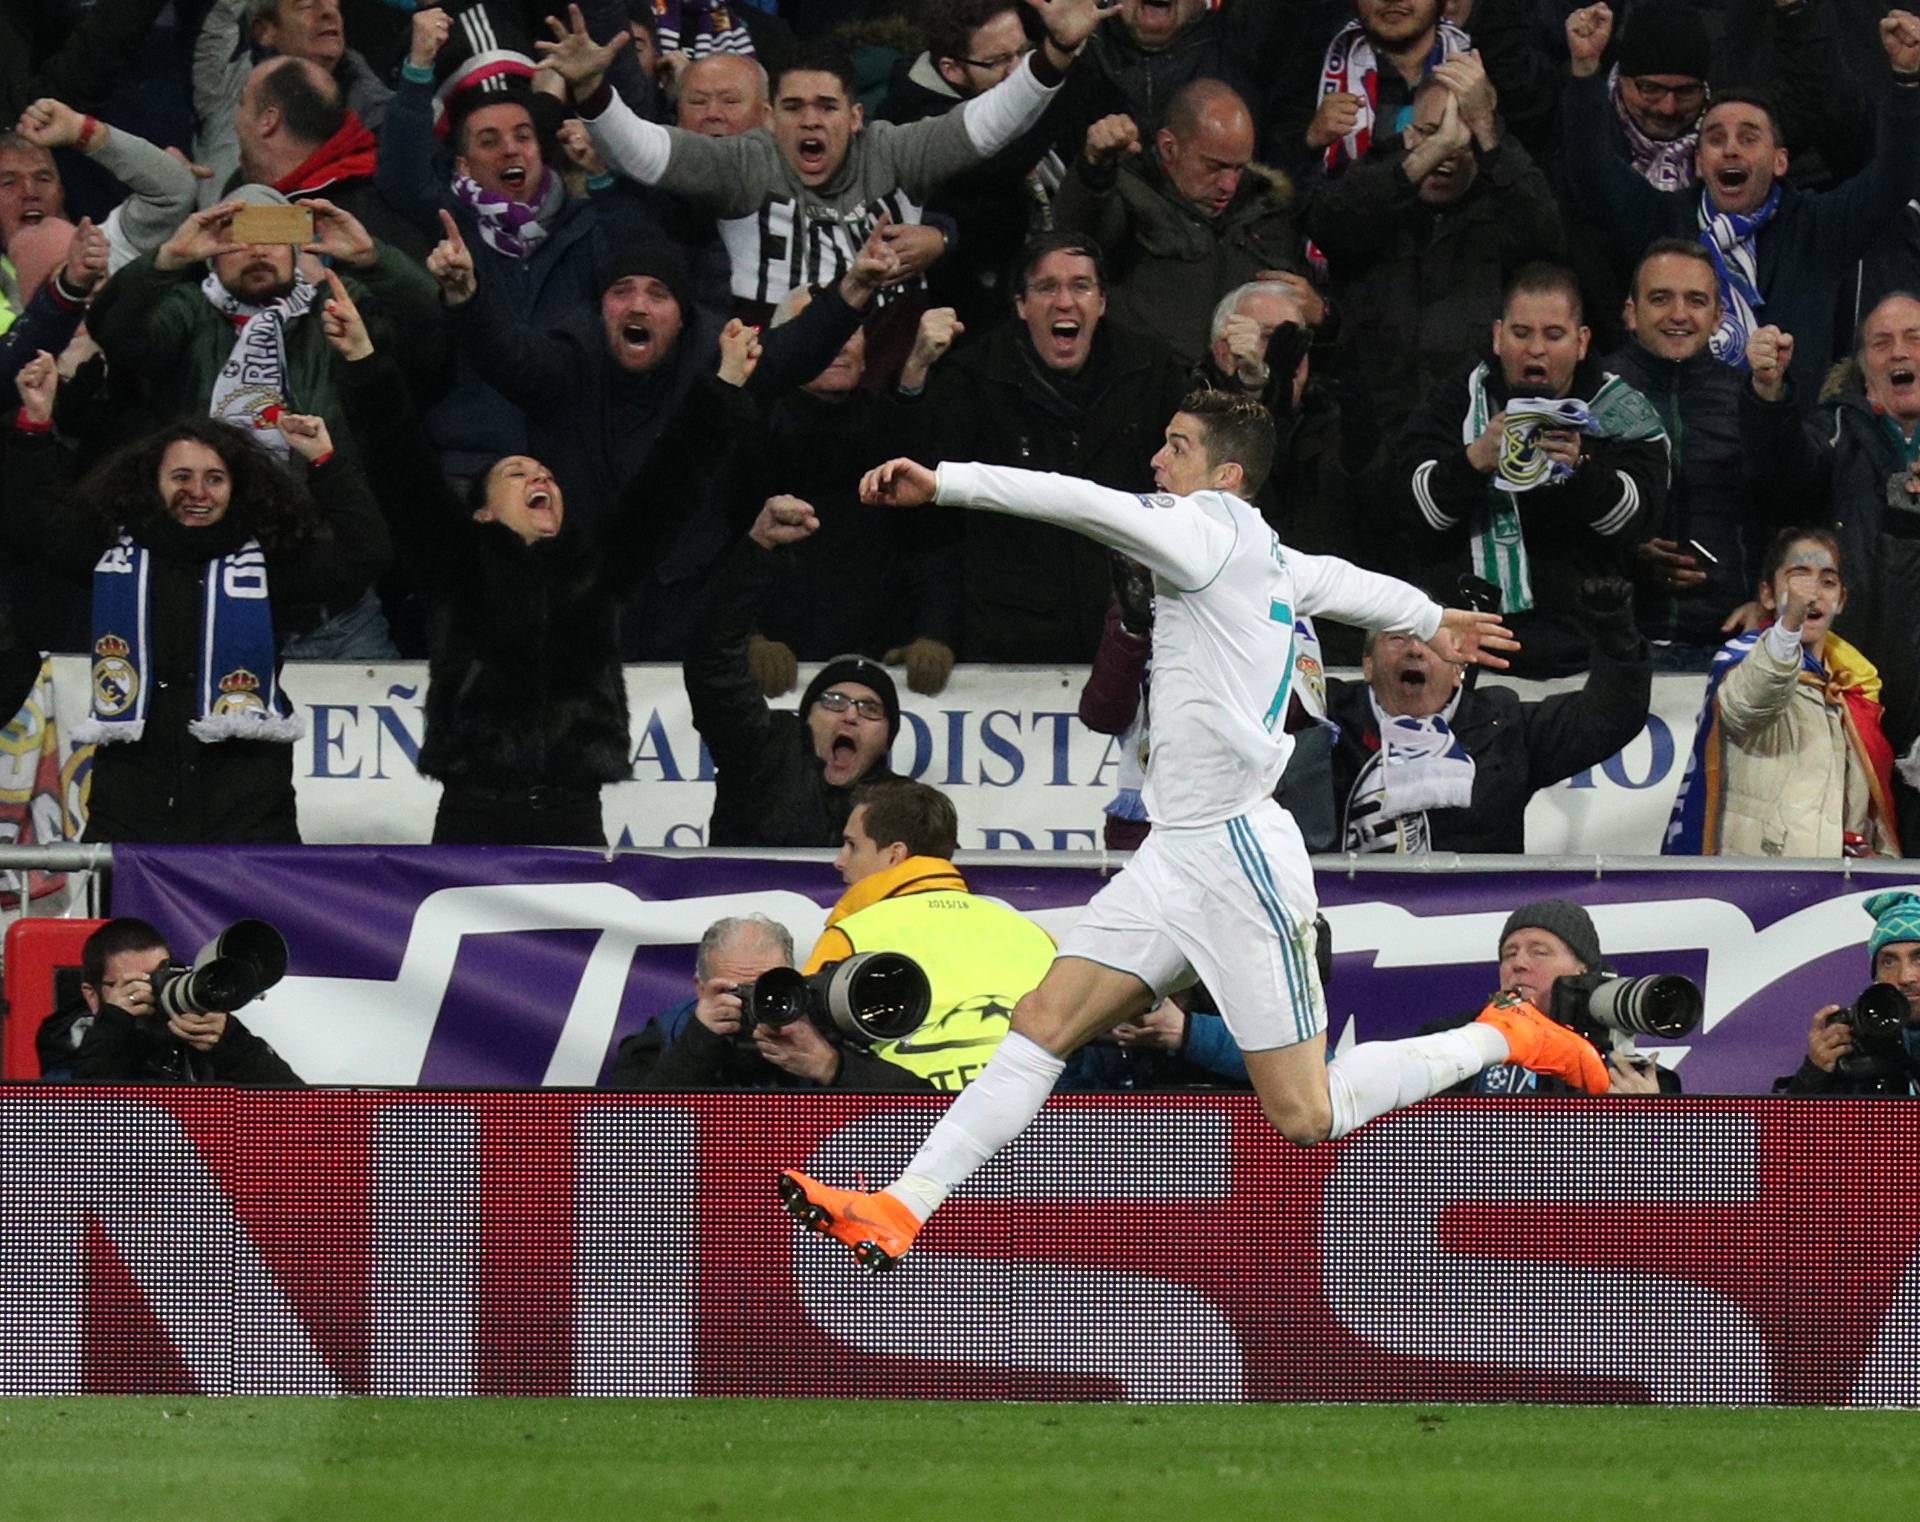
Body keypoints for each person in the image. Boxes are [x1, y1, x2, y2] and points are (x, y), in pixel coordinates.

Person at [780, 388, 1611, 1274]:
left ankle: (1507, 1034)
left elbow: (1076, 500)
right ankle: (899, 1209)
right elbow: (1340, 579)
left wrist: (944, 481)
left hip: (1241, 858)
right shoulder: (1267, 556)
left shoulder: (1204, 532)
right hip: (1176, 853)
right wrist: (1428, 615)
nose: (1155, 463)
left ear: (1226, 474)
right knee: (1042, 1021)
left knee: (1307, 1114)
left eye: (1175, 447)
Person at [6, 352, 388, 844]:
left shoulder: (270, 563)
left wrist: (326, 461)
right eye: (181, 477)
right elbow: (33, 525)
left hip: (248, 801)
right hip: (133, 795)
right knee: (130, 923)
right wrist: (34, 425)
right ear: (152, 483)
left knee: (250, 922)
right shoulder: (111, 554)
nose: (197, 492)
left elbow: (365, 553)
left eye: (214, 478)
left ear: (238, 486)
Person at [546, 0, 1119, 314]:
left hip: (887, 364)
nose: (811, 120)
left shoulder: (893, 150)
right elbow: (645, 153)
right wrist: (596, 94)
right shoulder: (746, 161)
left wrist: (1057, 53)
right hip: (776, 365)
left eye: (826, 106)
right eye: (794, 107)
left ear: (855, 115)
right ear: (771, 117)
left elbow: (988, 124)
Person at [1559, 4, 1920, 406]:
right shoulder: (1663, 220)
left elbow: (1895, 177)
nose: (1730, 149)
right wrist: (1586, 69)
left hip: (1790, 439)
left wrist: (1906, 82)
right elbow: (1590, 166)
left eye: (1748, 138)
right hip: (1686, 433)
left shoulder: (1820, 229)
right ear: (1698, 163)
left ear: (1780, 160)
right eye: (1715, 139)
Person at [891, 230, 1188, 661]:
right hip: (1006, 641)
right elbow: (920, 504)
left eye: (1080, 286)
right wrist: (915, 372)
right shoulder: (973, 379)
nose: (1065, 302)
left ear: (1102, 302)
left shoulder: (1152, 373)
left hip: (1132, 634)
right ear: (1020, 305)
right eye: (1047, 287)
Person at [1399, 262, 1669, 678]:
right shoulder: (1453, 401)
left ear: (1581, 343)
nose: (1536, 349)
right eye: (1521, 333)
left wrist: (1580, 471)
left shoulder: (1621, 410)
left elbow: (1638, 522)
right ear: (1497, 336)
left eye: (1553, 335)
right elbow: (1415, 510)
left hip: (1586, 658)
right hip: (1469, 658)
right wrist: (1475, 460)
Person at [1304, 59, 1563, 472]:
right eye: (1429, 132)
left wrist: (1487, 130)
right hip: (1363, 443)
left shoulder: (1504, 205)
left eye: (1461, 141)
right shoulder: (1374, 182)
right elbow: (1328, 225)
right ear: (1408, 131)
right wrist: (1432, 150)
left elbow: (1546, 239)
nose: (1446, 155)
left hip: (1466, 444)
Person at [1740, 298, 1920, 824]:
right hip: (1852, 690)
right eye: (1881, 343)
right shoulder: (1840, 429)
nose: (1898, 353)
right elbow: (1780, 471)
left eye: (1914, 338)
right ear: (1863, 366)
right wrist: (1768, 394)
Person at [1329, 576, 1651, 853]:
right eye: (1397, 637)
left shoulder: (1501, 725)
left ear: (1459, 670)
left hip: (1476, 917)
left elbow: (1609, 717)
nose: (1414, 649)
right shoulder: (1329, 717)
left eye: (1430, 639)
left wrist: (1616, 639)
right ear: (1367, 664)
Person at [802, 780, 1056, 1091]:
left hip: (899, 1124)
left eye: (852, 845)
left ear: (895, 855)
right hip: (1035, 1121)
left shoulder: (851, 935)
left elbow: (802, 1043)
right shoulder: (1034, 935)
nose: (840, 861)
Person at [1665, 527, 1901, 858]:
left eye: (1827, 582)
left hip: (1834, 894)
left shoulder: (1853, 687)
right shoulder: (1742, 662)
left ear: (1842, 601)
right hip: (1761, 894)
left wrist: (1878, 863)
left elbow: (1870, 818)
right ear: (1768, 595)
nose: (1812, 594)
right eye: (1798, 577)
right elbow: (1749, 705)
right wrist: (1788, 626)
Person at [1053, 77, 1312, 368]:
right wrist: (1094, 171)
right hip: (1145, 395)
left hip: (1248, 400)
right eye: (1214, 167)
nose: (1229, 185)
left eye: (1239, 168)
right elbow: (1075, 240)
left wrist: (1323, 315)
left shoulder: (1266, 208)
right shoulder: (1128, 193)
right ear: (1168, 147)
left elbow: (1300, 310)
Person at [685, 498, 901, 844]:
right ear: (807, 718)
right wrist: (758, 547)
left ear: (887, 740)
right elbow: (712, 661)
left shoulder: (901, 807)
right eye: (833, 701)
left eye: (870, 709)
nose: (850, 714)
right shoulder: (759, 754)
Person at [1606, 241, 1774, 670]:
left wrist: (1767, 600)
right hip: (1610, 651)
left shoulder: (1752, 400)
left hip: (1727, 648)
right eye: (1660, 298)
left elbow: (1788, 510)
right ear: (1631, 312)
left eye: (1696, 300)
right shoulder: (1588, 397)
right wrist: (1629, 556)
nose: (1678, 314)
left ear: (1719, 317)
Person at [604, 913, 933, 1092]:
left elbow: (922, 1112)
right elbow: (628, 1135)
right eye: (734, 991)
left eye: (768, 986)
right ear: (700, 988)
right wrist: (700, 1039)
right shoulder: (669, 1032)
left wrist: (832, 1067)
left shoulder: (815, 1029)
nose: (754, 1003)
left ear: (792, 976)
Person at [1418, 900, 1680, 1095]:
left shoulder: (1633, 1076)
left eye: (1539, 952)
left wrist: (1647, 1125)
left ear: (1582, 970)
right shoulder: (1452, 1041)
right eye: (1510, 954)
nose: (1519, 963)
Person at [41, 917, 300, 1084]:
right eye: (133, 984)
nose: (152, 991)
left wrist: (232, 1044)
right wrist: (115, 1027)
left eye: (159, 976)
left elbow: (299, 1109)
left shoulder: (197, 1025)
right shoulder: (70, 1041)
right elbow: (80, 1125)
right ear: (92, 995)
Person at [193, 0, 394, 200]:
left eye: (335, 5)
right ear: (264, 30)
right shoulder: (229, 90)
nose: (328, 13)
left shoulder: (380, 117)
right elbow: (221, 20)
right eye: (307, 5)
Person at [1777, 890, 1920, 1096]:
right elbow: (1786, 1127)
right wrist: (1814, 1073)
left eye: (1919, 958)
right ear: (1876, 977)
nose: (1906, 977)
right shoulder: (1856, 1042)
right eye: (1888, 962)